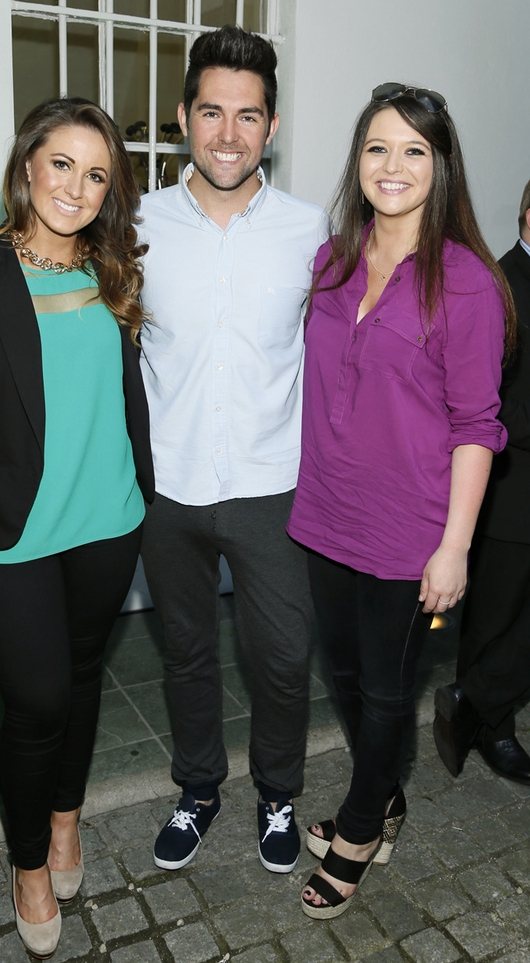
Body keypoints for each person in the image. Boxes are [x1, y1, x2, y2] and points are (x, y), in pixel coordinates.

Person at [0, 98, 154, 960]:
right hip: (11, 534)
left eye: (97, 174)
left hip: (110, 520)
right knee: (39, 701)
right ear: (27, 167)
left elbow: (120, 397)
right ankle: (27, 862)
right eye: (62, 164)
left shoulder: (114, 266)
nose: (77, 187)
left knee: (85, 677)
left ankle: (65, 823)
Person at [287, 83, 515, 919]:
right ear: (358, 159)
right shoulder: (332, 260)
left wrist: (454, 546)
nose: (393, 165)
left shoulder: (466, 284)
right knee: (346, 675)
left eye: (414, 150)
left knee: (387, 689)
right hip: (327, 510)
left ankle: (359, 829)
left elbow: (475, 426)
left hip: (409, 527)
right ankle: (384, 792)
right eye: (379, 147)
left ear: (441, 165)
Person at [137, 25, 328, 874]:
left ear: (272, 126)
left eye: (247, 115)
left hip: (273, 485)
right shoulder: (136, 224)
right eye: (211, 111)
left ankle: (279, 790)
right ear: (182, 116)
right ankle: (199, 787)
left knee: (283, 656)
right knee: (184, 653)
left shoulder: (310, 229)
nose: (227, 133)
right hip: (167, 487)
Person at [434, 179, 530, 786]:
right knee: (494, 620)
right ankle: (493, 727)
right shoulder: (499, 285)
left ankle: (473, 700)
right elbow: (480, 401)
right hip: (510, 493)